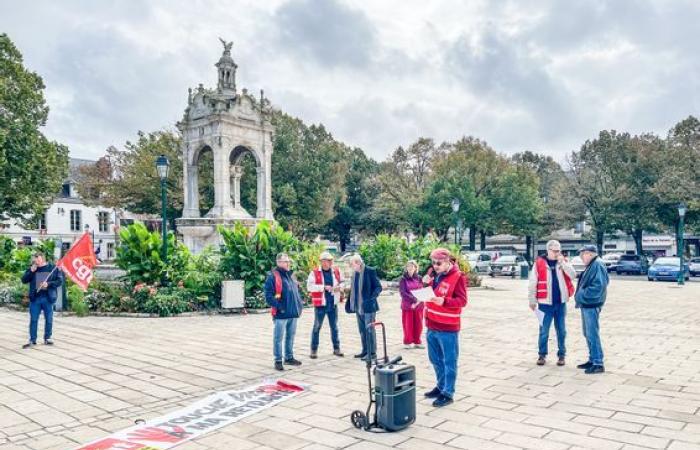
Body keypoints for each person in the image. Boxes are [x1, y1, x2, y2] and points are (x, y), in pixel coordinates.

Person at [423, 248, 468, 407]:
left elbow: (462, 301)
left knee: (449, 361)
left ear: (448, 261)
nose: (435, 266)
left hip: (448, 327)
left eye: (439, 263)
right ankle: (441, 386)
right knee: (435, 359)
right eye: (433, 262)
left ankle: (448, 393)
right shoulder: (434, 274)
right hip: (431, 324)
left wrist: (445, 301)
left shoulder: (458, 277)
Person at [528, 240, 576, 366]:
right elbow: (533, 283)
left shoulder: (563, 262)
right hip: (544, 304)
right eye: (554, 251)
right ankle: (542, 355)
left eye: (558, 251)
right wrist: (532, 300)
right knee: (544, 330)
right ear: (548, 250)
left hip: (560, 303)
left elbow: (573, 275)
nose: (557, 253)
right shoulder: (538, 263)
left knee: (561, 330)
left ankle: (561, 355)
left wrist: (563, 263)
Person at [264, 253, 303, 371]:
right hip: (281, 313)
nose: (288, 263)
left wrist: (299, 306)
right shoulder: (272, 277)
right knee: (278, 338)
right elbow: (268, 296)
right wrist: (280, 307)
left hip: (293, 313)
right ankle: (278, 360)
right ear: (279, 263)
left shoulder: (291, 276)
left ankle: (289, 357)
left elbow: (296, 292)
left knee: (290, 336)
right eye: (286, 261)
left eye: (288, 261)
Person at [575, 244, 609, 374]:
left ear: (588, 254)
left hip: (591, 304)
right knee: (587, 333)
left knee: (592, 333)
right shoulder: (594, 264)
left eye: (582, 254)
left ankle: (598, 363)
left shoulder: (597, 265)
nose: (581, 257)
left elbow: (599, 286)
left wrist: (581, 294)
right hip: (588, 304)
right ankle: (592, 359)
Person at [306, 252, 345, 359]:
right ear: (321, 262)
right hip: (320, 305)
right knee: (317, 327)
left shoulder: (336, 271)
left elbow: (343, 282)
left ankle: (336, 349)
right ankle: (313, 350)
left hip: (333, 304)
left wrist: (340, 287)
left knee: (334, 327)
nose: (326, 263)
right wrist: (323, 287)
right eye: (324, 261)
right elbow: (309, 286)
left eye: (328, 261)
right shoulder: (314, 273)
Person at [21, 251, 63, 348]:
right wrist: (31, 271)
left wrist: (48, 284)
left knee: (48, 319)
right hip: (35, 298)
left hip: (48, 297)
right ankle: (32, 340)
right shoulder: (33, 268)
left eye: (38, 260)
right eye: (35, 261)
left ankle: (47, 338)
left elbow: (60, 281)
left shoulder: (52, 268)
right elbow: (23, 280)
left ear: (43, 258)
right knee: (34, 319)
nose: (37, 263)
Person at [346, 254, 382, 361]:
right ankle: (365, 351)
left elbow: (378, 287)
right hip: (358, 306)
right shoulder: (355, 274)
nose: (351, 267)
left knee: (369, 330)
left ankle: (372, 353)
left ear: (358, 263)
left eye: (352, 264)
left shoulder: (369, 271)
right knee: (362, 330)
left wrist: (371, 299)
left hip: (368, 307)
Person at [399, 260, 424, 349]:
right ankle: (408, 342)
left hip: (419, 305)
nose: (410, 268)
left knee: (419, 324)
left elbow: (421, 290)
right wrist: (413, 300)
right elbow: (403, 293)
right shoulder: (403, 279)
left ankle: (417, 341)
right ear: (406, 268)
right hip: (408, 305)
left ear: (415, 268)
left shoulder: (419, 278)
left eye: (412, 266)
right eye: (408, 266)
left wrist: (418, 301)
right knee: (408, 324)